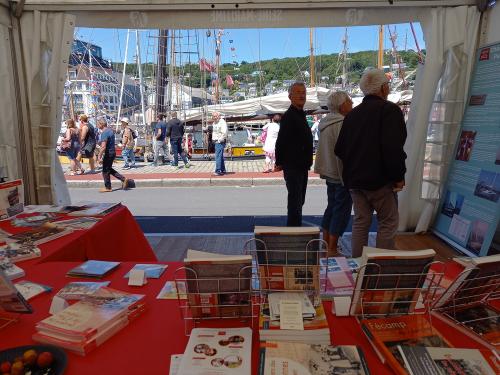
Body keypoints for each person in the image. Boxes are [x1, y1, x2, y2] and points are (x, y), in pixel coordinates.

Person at [335, 69, 407, 257]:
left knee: (361, 222)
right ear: (383, 88)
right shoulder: (389, 110)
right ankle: (380, 266)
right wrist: (398, 177)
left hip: (354, 181)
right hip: (380, 180)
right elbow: (393, 148)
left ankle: (358, 264)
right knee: (388, 222)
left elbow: (339, 149)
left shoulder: (352, 115)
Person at [314, 91, 353, 256]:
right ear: (342, 105)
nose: (352, 104)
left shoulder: (325, 123)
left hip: (329, 171)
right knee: (341, 210)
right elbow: (346, 152)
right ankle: (332, 248)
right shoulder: (343, 123)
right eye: (349, 101)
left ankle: (326, 242)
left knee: (331, 207)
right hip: (341, 173)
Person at [275, 82, 313, 227]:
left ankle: (295, 228)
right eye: (298, 92)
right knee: (295, 202)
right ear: (290, 96)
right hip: (293, 166)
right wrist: (279, 162)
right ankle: (294, 231)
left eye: (303, 92)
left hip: (302, 166)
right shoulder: (290, 116)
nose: (302, 95)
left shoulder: (300, 114)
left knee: (299, 201)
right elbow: (281, 141)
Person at [96, 117, 128, 193]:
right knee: (108, 169)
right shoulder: (110, 131)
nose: (97, 125)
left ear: (101, 124)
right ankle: (123, 179)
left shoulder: (104, 133)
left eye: (98, 124)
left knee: (105, 171)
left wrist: (99, 156)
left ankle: (108, 187)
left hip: (108, 153)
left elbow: (103, 146)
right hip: (112, 152)